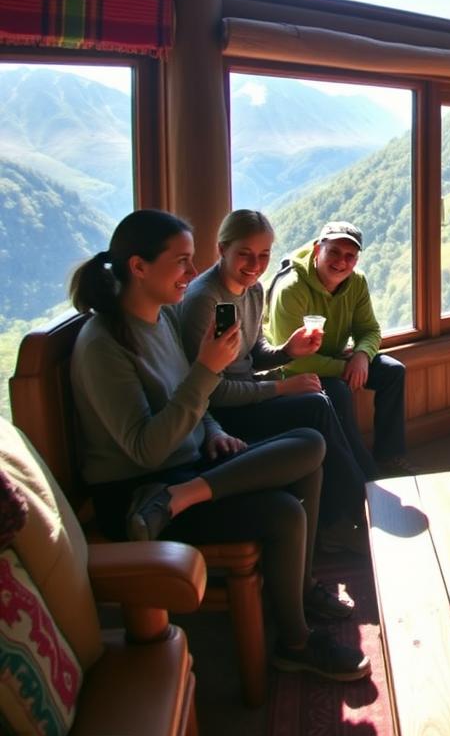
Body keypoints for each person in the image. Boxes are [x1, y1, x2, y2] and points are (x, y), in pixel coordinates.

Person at [69, 209, 370, 683]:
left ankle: (300, 584)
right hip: (138, 492)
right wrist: (209, 370)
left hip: (186, 470)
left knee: (309, 445)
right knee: (285, 508)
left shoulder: (161, 318)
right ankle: (294, 642)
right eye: (182, 262)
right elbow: (146, 449)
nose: (192, 273)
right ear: (138, 267)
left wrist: (213, 431)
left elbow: (192, 396)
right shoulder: (105, 343)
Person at [178, 209, 371, 550]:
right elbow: (212, 390)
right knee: (314, 406)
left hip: (248, 393)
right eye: (245, 254)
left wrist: (287, 350)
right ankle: (358, 506)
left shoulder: (252, 290)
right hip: (221, 415)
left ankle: (345, 513)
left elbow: (254, 353)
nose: (255, 264)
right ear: (222, 248)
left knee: (323, 399)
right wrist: (281, 387)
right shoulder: (205, 300)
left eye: (263, 255)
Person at [263, 220, 413, 478]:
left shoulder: (356, 283)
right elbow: (291, 360)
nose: (341, 262)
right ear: (316, 249)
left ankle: (390, 456)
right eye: (333, 252)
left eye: (350, 256)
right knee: (338, 391)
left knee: (392, 371)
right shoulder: (292, 288)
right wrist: (347, 367)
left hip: (336, 357)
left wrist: (363, 356)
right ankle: (361, 472)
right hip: (292, 370)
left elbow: (370, 330)